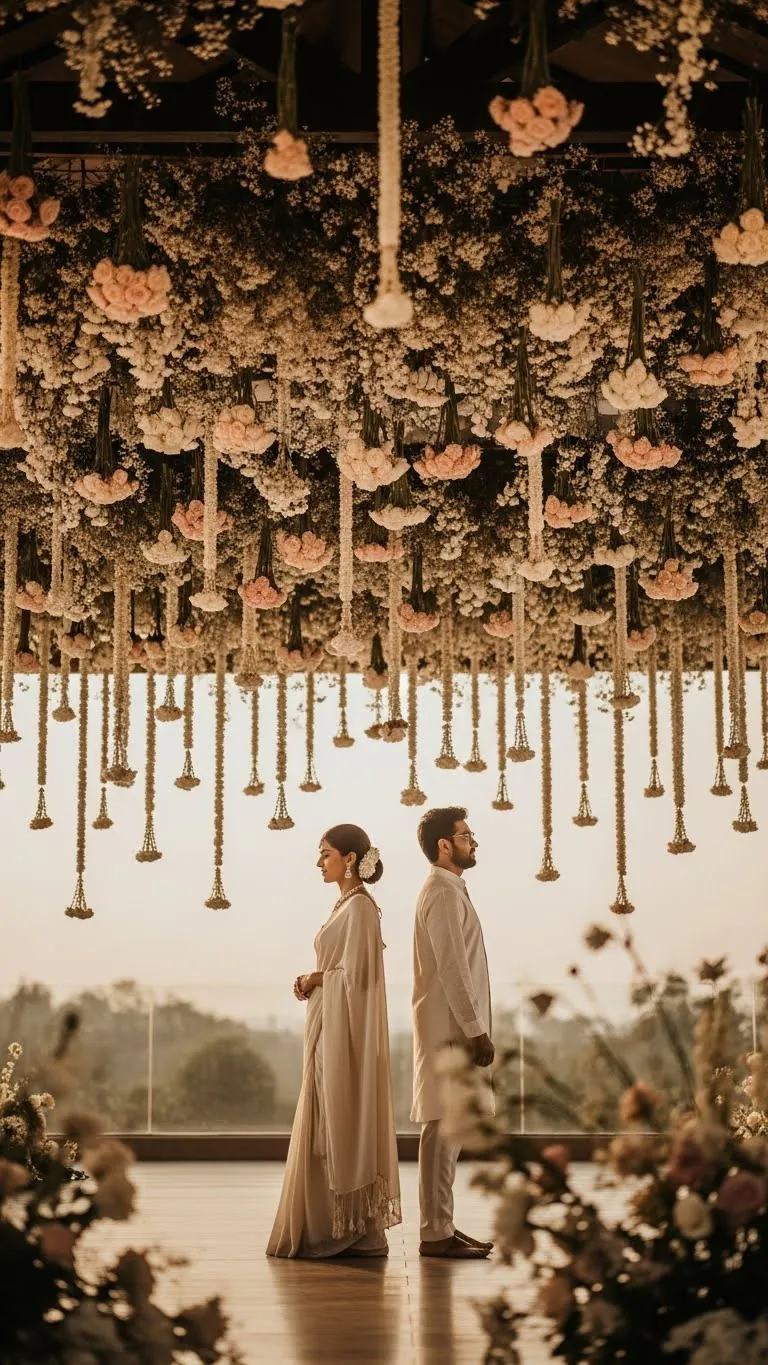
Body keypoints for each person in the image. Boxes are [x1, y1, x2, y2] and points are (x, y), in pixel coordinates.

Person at [267, 824, 402, 1259]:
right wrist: (317, 979)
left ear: (349, 859)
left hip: (342, 1030)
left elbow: (359, 978)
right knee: (326, 1114)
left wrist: (315, 977)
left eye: (326, 853)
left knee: (336, 1115)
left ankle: (348, 1226)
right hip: (327, 1021)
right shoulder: (345, 905)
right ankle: (335, 1220)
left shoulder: (361, 907)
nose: (319, 862)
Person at [411, 806, 494, 1259]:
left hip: (454, 1025)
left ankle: (441, 1225)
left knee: (450, 1129)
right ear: (445, 844)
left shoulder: (451, 889)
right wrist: (476, 1030)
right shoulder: (441, 894)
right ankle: (435, 1232)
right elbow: (452, 969)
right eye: (466, 834)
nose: (473, 841)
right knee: (442, 1127)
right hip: (450, 1027)